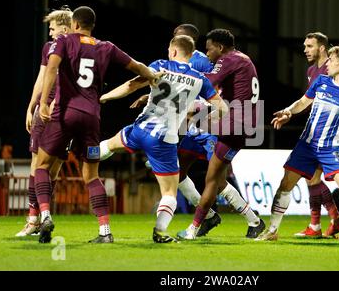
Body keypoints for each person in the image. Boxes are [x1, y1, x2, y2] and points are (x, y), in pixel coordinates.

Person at [35, 6, 160, 244]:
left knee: (42, 165)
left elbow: (51, 68)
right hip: (92, 118)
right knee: (92, 176)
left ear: (74, 24)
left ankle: (45, 215)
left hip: (65, 114)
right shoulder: (106, 47)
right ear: (92, 26)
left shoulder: (63, 41)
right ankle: (105, 232)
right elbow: (136, 66)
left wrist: (42, 103)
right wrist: (153, 75)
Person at [131, 24, 263, 238]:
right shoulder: (183, 61)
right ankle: (209, 216)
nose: (174, 41)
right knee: (178, 170)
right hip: (197, 125)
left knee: (216, 181)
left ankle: (251, 219)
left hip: (213, 124)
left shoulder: (204, 60)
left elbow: (205, 90)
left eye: (177, 37)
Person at [99, 34, 228, 243]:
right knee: (169, 192)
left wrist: (104, 97)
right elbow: (222, 108)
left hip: (140, 129)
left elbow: (132, 85)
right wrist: (201, 118)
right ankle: (159, 231)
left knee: (108, 145)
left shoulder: (160, 65)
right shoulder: (200, 79)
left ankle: (86, 156)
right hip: (164, 140)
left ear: (174, 51)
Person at [256, 45, 339, 243]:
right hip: (307, 145)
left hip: (332, 148)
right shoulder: (321, 81)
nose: (327, 63)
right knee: (285, 185)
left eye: (331, 59)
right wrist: (288, 111)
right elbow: (302, 102)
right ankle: (272, 230)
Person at [177, 28, 265, 240]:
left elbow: (206, 82)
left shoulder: (228, 60)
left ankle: (197, 226)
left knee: (214, 179)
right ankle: (252, 221)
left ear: (220, 47)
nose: (207, 54)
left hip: (233, 124)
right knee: (208, 176)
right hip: (236, 122)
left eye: (210, 50)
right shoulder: (240, 59)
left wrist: (175, 80)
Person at [16, 7, 73, 237]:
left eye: (53, 28)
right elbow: (42, 77)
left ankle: (41, 217)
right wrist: (32, 105)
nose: (50, 33)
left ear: (65, 28)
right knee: (40, 166)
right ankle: (35, 219)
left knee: (51, 170)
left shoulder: (74, 47)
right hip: (48, 111)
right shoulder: (49, 48)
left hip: (61, 112)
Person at [295, 32, 339, 238]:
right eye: (305, 46)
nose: (305, 50)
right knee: (311, 178)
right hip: (316, 131)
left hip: (331, 134)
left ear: (322, 48)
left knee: (313, 177)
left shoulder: (332, 69)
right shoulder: (311, 70)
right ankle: (329, 221)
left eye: (310, 46)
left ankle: (328, 222)